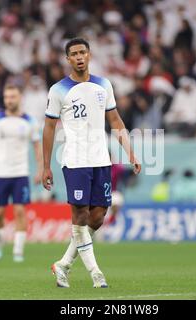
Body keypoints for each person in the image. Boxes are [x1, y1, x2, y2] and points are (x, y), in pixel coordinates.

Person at [42, 38, 141, 288]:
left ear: (89, 55)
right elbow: (49, 128)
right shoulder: (58, 90)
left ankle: (63, 264)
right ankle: (96, 273)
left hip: (101, 159)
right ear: (67, 59)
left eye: (82, 52)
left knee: (97, 217)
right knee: (80, 215)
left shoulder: (103, 85)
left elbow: (116, 121)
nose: (78, 57)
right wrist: (45, 166)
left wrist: (130, 151)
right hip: (75, 159)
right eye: (73, 53)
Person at [0, 83, 43, 263]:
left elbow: (37, 147)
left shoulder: (30, 121)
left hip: (20, 173)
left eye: (13, 97)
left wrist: (40, 169)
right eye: (7, 97)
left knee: (20, 211)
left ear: (20, 98)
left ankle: (18, 250)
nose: (9, 100)